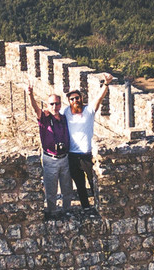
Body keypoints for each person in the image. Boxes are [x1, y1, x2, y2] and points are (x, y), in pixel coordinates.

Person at [64, 73, 113, 209]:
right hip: (72, 155)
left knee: (93, 182)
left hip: (86, 154)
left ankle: (98, 207)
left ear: (81, 98)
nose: (75, 100)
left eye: (77, 98)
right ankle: (85, 207)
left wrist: (106, 83)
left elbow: (99, 97)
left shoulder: (89, 111)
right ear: (69, 101)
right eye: (72, 99)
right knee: (79, 184)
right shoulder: (65, 112)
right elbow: (53, 113)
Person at [27, 83, 72, 215]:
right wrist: (30, 94)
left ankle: (67, 210)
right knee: (51, 189)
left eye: (57, 104)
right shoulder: (45, 118)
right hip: (50, 159)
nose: (54, 107)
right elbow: (35, 109)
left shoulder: (64, 118)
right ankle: (52, 211)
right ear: (47, 105)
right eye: (51, 104)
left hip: (65, 158)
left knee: (67, 188)